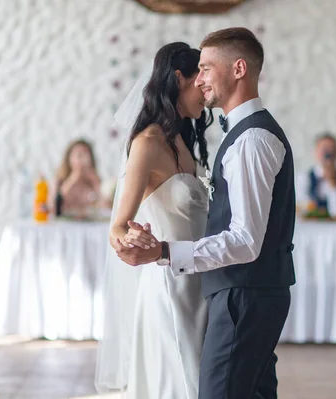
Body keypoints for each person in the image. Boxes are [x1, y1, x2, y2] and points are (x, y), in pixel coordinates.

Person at [116, 27, 296, 399]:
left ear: (239, 69)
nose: (200, 80)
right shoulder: (241, 136)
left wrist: (165, 251)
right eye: (196, 71)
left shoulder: (251, 139)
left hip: (240, 292)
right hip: (216, 288)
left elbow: (245, 240)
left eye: (207, 68)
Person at [94, 42, 213, 399]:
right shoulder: (146, 142)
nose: (206, 92)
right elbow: (118, 224)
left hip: (197, 281)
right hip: (168, 285)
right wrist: (131, 238)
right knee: (180, 382)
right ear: (179, 78)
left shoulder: (182, 137)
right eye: (200, 80)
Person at [297, 132, 336, 219]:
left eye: (333, 150)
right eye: (325, 150)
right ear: (316, 152)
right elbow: (302, 209)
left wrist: (333, 183)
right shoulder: (304, 178)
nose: (329, 155)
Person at [53, 139, 111, 218]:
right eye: (79, 155)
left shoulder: (94, 181)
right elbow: (54, 207)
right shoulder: (59, 181)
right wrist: (73, 179)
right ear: (69, 159)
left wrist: (96, 183)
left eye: (86, 155)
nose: (83, 160)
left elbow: (108, 207)